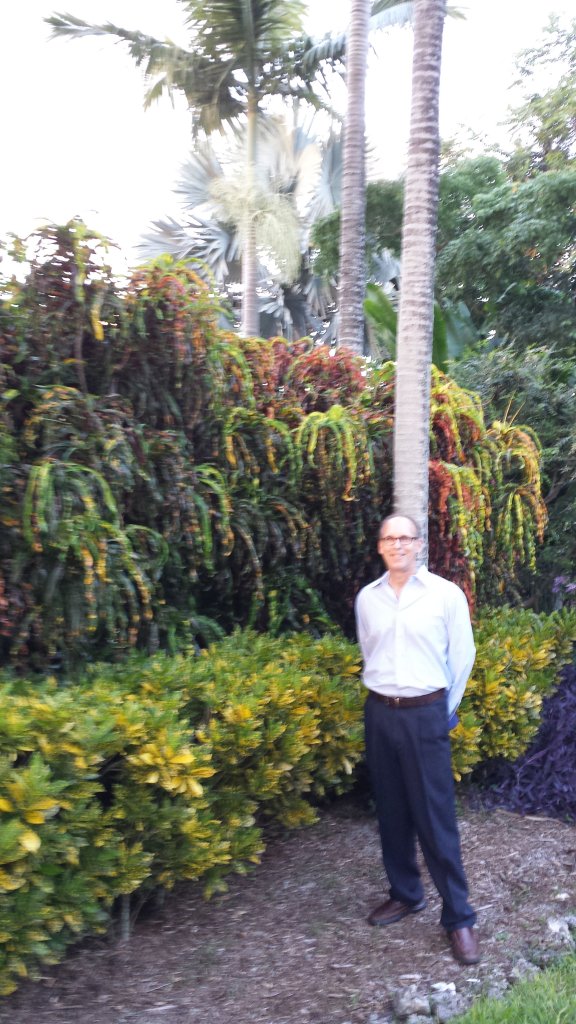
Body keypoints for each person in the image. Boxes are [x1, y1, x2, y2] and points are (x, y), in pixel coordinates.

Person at [354, 514, 480, 965]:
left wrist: (438, 712)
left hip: (426, 714)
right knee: (391, 810)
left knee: (434, 816)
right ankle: (406, 893)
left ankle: (459, 917)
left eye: (405, 537)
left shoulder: (445, 595)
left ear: (419, 544)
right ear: (380, 546)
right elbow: (369, 651)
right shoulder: (367, 599)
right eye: (389, 538)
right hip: (380, 713)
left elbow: (462, 657)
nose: (398, 545)